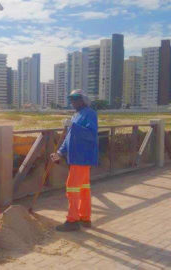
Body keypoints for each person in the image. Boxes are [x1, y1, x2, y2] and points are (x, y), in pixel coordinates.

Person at [51, 89, 98, 232]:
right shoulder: (76, 115)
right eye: (71, 99)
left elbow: (91, 134)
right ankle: (85, 218)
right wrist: (60, 152)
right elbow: (69, 137)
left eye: (76, 98)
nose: (73, 101)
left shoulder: (89, 113)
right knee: (83, 189)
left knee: (72, 187)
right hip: (77, 158)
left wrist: (73, 126)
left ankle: (72, 220)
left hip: (82, 158)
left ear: (83, 100)